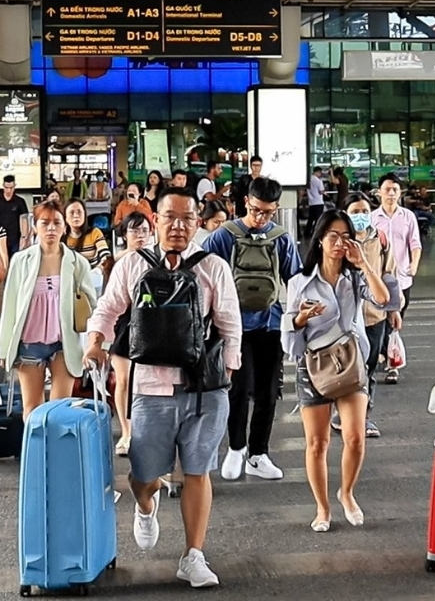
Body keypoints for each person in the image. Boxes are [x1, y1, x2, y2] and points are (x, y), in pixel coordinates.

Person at [85, 187, 242, 589]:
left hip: (204, 387)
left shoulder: (213, 267)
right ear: (155, 219)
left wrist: (228, 369)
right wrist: (96, 341)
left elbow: (229, 322)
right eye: (169, 217)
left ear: (197, 223)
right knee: (145, 474)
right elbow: (108, 308)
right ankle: (144, 505)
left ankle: (193, 555)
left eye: (186, 218)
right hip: (151, 388)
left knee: (198, 470)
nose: (177, 226)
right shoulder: (133, 265)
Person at [283, 210, 389, 532]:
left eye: (346, 237)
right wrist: (300, 319)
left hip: (350, 365)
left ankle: (347, 493)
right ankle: (322, 507)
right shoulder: (299, 283)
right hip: (313, 366)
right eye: (333, 236)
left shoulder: (354, 278)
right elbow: (288, 342)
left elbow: (383, 300)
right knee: (317, 443)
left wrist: (365, 264)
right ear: (319, 240)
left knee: (356, 438)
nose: (340, 243)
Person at [203, 177, 302, 482]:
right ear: (246, 201)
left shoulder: (281, 239)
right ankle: (235, 448)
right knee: (238, 390)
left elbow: (296, 280)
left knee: (268, 392)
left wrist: (300, 320)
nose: (262, 218)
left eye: (269, 213)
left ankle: (258, 454)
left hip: (271, 324)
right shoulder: (223, 236)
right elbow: (204, 277)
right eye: (258, 210)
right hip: (232, 326)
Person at [0, 200, 98, 417]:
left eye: (56, 222)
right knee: (32, 409)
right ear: (35, 226)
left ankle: (56, 451)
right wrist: (4, 349)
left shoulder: (77, 262)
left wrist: (96, 344)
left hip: (64, 344)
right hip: (28, 344)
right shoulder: (21, 260)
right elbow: (11, 305)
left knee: (60, 409)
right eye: (45, 223)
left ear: (64, 226)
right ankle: (35, 451)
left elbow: (94, 306)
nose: (51, 228)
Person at [336, 192, 401, 438]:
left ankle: (363, 417)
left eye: (364, 211)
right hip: (344, 318)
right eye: (355, 212)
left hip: (375, 315)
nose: (361, 216)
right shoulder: (338, 240)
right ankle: (342, 412)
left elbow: (390, 277)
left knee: (369, 368)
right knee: (344, 368)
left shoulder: (380, 239)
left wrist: (393, 309)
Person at [107, 211, 154, 457]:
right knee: (123, 380)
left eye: (144, 230)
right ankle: (126, 432)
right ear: (124, 234)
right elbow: (109, 301)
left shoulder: (157, 258)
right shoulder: (118, 261)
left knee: (146, 381)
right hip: (124, 324)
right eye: (135, 231)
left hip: (151, 325)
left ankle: (144, 433)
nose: (140, 236)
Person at [371, 173, 421, 384]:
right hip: (378, 279)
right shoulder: (372, 217)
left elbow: (415, 244)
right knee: (379, 321)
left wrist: (414, 265)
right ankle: (386, 356)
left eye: (395, 190)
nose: (391, 194)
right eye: (387, 189)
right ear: (379, 192)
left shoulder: (408, 216)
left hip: (401, 278)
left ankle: (392, 361)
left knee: (395, 321)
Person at [64, 199, 113, 289]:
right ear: (65, 217)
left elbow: (106, 255)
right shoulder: (62, 237)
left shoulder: (94, 232)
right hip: (69, 281)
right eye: (71, 213)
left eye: (79, 212)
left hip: (92, 280)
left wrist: (98, 269)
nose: (76, 216)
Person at [0, 176, 30, 261]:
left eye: (11, 188)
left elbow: (24, 219)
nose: (8, 190)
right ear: (3, 186)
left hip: (15, 236)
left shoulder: (20, 201)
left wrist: (24, 237)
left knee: (15, 260)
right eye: (6, 187)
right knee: (1, 260)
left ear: (14, 186)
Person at [306, 166, 326, 238]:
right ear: (318, 172)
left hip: (311, 202)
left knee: (310, 219)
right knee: (318, 219)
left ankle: (307, 232)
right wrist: (324, 192)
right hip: (318, 202)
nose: (320, 175)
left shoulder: (308, 180)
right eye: (320, 173)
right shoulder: (318, 181)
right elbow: (321, 191)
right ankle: (315, 233)